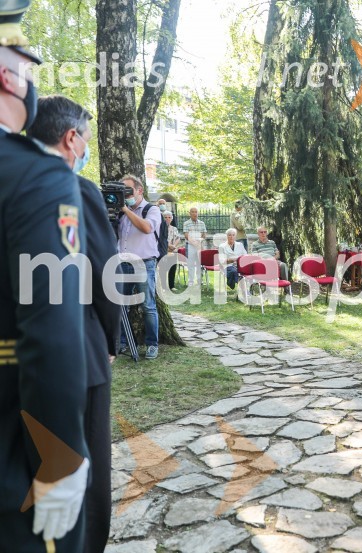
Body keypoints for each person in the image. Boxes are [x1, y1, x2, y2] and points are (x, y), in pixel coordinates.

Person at [0, 3, 90, 548]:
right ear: (7, 76)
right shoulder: (35, 178)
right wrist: (58, 459)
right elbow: (51, 333)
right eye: (26, 66)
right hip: (13, 468)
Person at [28, 94, 121, 553]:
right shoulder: (77, 191)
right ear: (70, 139)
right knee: (87, 472)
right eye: (85, 137)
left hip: (19, 355)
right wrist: (107, 339)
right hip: (78, 352)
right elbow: (105, 276)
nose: (85, 146)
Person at [117, 174, 161, 359]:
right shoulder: (119, 211)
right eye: (123, 192)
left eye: (129, 191)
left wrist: (126, 210)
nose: (126, 195)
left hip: (144, 263)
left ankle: (152, 344)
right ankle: (122, 342)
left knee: (148, 305)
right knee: (121, 305)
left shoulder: (151, 209)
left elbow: (146, 229)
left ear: (140, 190)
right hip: (122, 263)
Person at [182, 207, 206, 286]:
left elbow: (204, 234)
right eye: (193, 212)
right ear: (190, 213)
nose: (195, 213)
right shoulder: (186, 223)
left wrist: (200, 241)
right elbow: (186, 235)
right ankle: (191, 281)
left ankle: (199, 280)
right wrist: (194, 243)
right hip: (190, 246)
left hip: (199, 245)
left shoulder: (202, 223)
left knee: (199, 263)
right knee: (191, 264)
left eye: (196, 212)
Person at [163, 211, 180, 290]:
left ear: (172, 219)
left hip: (173, 251)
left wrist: (173, 246)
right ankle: (163, 286)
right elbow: (162, 239)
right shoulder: (160, 228)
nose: (167, 219)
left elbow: (178, 238)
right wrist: (169, 246)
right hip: (164, 251)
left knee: (172, 268)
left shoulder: (174, 228)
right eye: (165, 217)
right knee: (163, 269)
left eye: (169, 217)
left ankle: (171, 286)